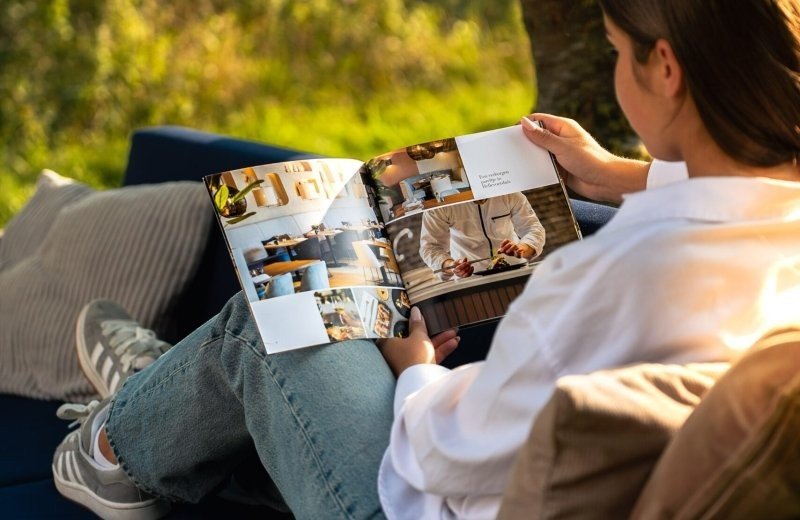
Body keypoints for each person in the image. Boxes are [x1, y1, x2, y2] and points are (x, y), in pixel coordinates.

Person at [51, 1, 800, 519]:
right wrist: (616, 175)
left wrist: (414, 373)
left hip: (433, 500)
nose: (613, 68)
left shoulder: (606, 281)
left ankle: (113, 448)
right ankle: (169, 395)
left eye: (614, 50)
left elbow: (445, 453)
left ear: (665, 67)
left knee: (281, 307)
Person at [418, 193, 546, 279]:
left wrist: (522, 248)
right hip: (470, 279)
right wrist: (452, 266)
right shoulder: (439, 206)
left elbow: (533, 229)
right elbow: (430, 247)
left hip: (516, 271)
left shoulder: (510, 194)